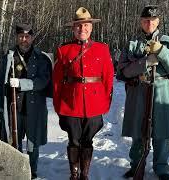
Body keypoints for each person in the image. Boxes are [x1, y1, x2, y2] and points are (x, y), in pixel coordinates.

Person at [117, 5, 169, 180]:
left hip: (162, 92)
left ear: (158, 21)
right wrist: (146, 61)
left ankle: (161, 168)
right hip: (138, 91)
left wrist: (161, 52)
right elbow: (123, 71)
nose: (149, 23)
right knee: (138, 132)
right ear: (141, 22)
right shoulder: (132, 44)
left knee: (161, 133)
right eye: (146, 20)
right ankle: (136, 166)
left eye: (153, 20)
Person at [53, 7, 114, 180]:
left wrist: (105, 102)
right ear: (73, 29)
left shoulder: (102, 49)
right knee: (74, 141)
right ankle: (74, 174)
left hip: (95, 104)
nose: (82, 29)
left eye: (86, 25)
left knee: (88, 141)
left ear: (91, 27)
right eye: (78, 26)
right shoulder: (63, 50)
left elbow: (108, 78)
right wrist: (59, 106)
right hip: (71, 104)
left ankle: (84, 174)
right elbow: (57, 81)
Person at [0, 23, 52, 179]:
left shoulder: (41, 57)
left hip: (34, 108)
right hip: (13, 107)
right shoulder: (8, 56)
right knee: (13, 141)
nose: (24, 39)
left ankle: (32, 171)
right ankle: (17, 169)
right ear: (17, 37)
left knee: (32, 143)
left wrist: (22, 84)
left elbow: (43, 81)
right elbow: (0, 81)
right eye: (21, 36)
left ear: (32, 38)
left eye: (27, 36)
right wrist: (0, 106)